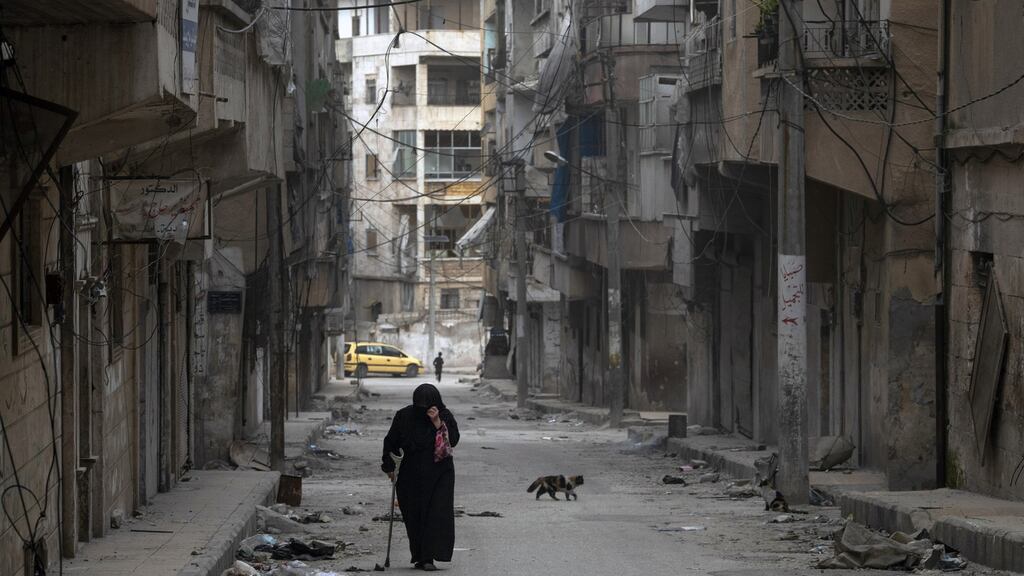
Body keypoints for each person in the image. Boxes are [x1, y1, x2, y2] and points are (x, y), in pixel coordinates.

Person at [381, 384, 460, 571]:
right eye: (420, 406)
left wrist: (437, 422)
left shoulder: (444, 415)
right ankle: (420, 556)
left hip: (440, 474)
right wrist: (389, 466)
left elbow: (454, 440)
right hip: (411, 475)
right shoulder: (404, 416)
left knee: (436, 514)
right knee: (413, 515)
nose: (423, 410)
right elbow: (391, 442)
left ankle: (428, 556)